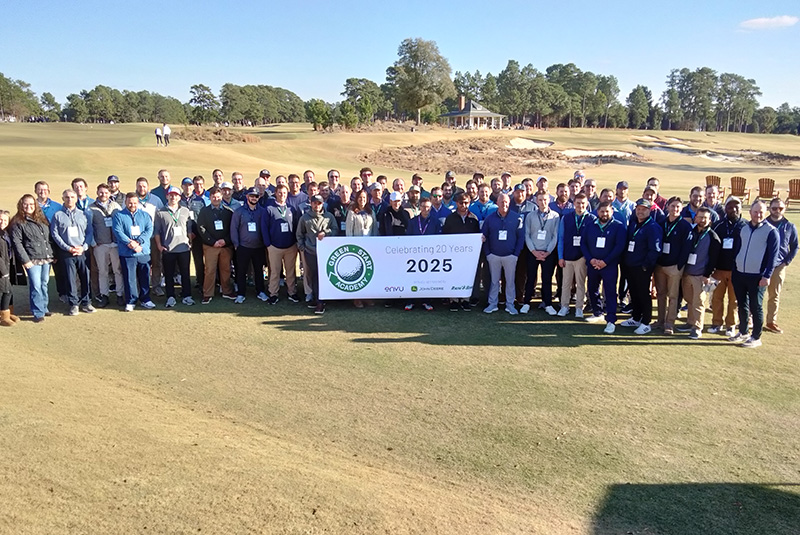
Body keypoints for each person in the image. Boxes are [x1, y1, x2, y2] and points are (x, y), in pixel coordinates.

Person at [730, 200, 780, 348]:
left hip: (757, 276)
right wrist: (735, 268)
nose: (758, 214)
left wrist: (767, 275)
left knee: (756, 306)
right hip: (740, 273)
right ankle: (743, 331)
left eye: (761, 212)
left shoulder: (771, 231)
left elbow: (773, 257)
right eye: (755, 211)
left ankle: (756, 337)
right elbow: (737, 249)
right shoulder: (743, 228)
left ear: (765, 213)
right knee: (742, 305)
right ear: (750, 212)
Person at [581, 202, 627, 333]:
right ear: (597, 212)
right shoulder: (590, 226)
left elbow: (619, 247)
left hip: (609, 266)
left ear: (612, 211)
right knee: (591, 288)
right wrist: (591, 260)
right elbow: (584, 244)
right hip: (593, 265)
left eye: (607, 211)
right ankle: (597, 312)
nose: (604, 214)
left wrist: (605, 261)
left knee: (610, 292)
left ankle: (611, 320)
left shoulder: (618, 227)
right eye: (602, 211)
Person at [620, 199, 662, 335]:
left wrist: (645, 266)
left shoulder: (653, 227)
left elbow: (654, 250)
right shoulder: (633, 224)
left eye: (644, 209)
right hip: (630, 265)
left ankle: (646, 322)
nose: (640, 211)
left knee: (644, 294)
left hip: (642, 267)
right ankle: (636, 317)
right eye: (638, 208)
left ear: (649, 210)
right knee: (634, 293)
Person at [10, 195, 54, 322]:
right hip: (32, 258)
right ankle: (37, 312)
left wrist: (52, 254)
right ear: (21, 205)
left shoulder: (42, 219)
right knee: (36, 285)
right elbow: (17, 243)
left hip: (46, 257)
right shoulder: (18, 222)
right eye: (25, 204)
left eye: (31, 204)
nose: (29, 206)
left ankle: (44, 307)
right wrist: (25, 260)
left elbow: (48, 238)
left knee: (44, 283)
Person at [51, 189, 95, 316]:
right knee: (70, 279)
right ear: (63, 198)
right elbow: (55, 234)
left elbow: (89, 232)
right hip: (67, 252)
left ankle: (86, 302)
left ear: (76, 199)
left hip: (82, 251)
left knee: (85, 277)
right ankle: (73, 304)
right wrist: (67, 248)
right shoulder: (58, 215)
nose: (69, 199)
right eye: (67, 197)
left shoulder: (84, 214)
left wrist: (84, 247)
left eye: (72, 197)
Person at [708, 197, 747, 337]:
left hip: (737, 270)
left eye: (736, 206)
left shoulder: (745, 226)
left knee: (734, 300)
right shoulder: (718, 225)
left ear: (741, 208)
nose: (733, 209)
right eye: (730, 207)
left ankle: (730, 325)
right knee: (717, 298)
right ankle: (716, 323)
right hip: (718, 269)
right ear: (725, 209)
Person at [681, 208, 721, 339]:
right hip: (687, 273)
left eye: (705, 218)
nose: (702, 220)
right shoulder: (690, 232)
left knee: (698, 302)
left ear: (710, 220)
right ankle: (690, 322)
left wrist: (707, 275)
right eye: (700, 217)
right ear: (695, 218)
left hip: (701, 275)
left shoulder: (713, 237)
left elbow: (714, 259)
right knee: (689, 300)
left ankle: (697, 328)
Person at [654, 197, 692, 334]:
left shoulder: (684, 226)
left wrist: (679, 266)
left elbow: (686, 248)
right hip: (660, 265)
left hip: (674, 267)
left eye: (678, 207)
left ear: (681, 209)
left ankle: (669, 323)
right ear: (667, 207)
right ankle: (660, 321)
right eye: (672, 206)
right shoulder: (661, 222)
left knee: (673, 296)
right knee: (660, 294)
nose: (675, 209)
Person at [481, 193, 523, 315]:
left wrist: (516, 254)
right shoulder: (490, 218)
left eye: (505, 202)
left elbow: (520, 238)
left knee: (510, 282)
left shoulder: (517, 218)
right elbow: (484, 237)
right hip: (494, 255)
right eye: (501, 202)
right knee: (494, 281)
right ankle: (492, 304)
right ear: (497, 203)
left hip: (510, 256)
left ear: (509, 203)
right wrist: (488, 253)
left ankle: (510, 305)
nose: (503, 204)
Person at [113, 193, 156, 312]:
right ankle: (131, 301)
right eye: (130, 202)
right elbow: (118, 231)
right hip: (127, 252)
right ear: (126, 202)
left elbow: (149, 230)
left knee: (145, 276)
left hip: (143, 251)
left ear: (138, 203)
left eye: (134, 202)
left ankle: (145, 299)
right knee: (129, 278)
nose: (132, 205)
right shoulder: (119, 216)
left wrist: (138, 242)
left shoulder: (145, 215)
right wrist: (130, 243)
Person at [153, 187, 194, 307]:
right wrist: (159, 246)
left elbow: (189, 229)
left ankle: (187, 296)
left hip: (183, 248)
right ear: (167, 196)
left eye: (176, 195)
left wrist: (190, 242)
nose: (173, 197)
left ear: (179, 197)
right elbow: (157, 231)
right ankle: (170, 297)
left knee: (185, 273)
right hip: (168, 249)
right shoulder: (160, 212)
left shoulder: (185, 211)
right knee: (169, 275)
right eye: (171, 195)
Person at [296, 195, 337, 314]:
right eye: (314, 203)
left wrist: (326, 232)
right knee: (314, 275)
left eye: (319, 203)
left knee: (323, 276)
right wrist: (302, 247)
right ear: (311, 203)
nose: (317, 205)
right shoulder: (305, 218)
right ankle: (317, 299)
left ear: (322, 204)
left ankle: (321, 301)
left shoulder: (329, 217)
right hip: (311, 251)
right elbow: (299, 234)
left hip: (326, 252)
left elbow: (335, 230)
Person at [522, 191, 560, 315]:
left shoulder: (555, 216)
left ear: (549, 200)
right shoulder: (530, 216)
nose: (543, 202)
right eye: (540, 200)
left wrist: (547, 252)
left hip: (548, 253)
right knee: (531, 277)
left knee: (546, 278)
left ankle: (548, 304)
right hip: (533, 252)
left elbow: (555, 236)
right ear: (536, 201)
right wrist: (534, 251)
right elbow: (527, 235)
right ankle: (526, 302)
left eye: (545, 200)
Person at [557, 193, 595, 318]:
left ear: (587, 204)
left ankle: (579, 307)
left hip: (582, 257)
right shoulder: (566, 218)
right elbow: (561, 238)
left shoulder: (591, 219)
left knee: (580, 283)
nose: (580, 206)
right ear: (574, 204)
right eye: (578, 203)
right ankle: (564, 306)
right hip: (567, 256)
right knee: (566, 283)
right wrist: (560, 256)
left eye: (583, 203)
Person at [87, 183, 124, 307]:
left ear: (109, 194)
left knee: (118, 270)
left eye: (106, 192)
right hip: (100, 245)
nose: (104, 195)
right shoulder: (91, 208)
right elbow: (88, 227)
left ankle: (119, 294)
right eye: (101, 192)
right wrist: (93, 243)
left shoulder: (115, 206)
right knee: (102, 271)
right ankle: (104, 295)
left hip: (115, 245)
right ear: (97, 192)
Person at [442, 192, 481, 311]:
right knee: (454, 275)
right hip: (453, 253)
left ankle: (465, 299)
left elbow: (476, 236)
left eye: (466, 203)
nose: (463, 205)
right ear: (456, 203)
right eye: (461, 203)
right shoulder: (450, 218)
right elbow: (445, 235)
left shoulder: (473, 218)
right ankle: (454, 300)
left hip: (468, 255)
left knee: (466, 276)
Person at [197, 187, 236, 304]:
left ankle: (226, 291)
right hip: (210, 246)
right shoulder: (204, 211)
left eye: (218, 196)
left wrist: (225, 240)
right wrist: (212, 241)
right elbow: (201, 228)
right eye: (213, 197)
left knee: (226, 269)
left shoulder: (228, 211)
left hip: (225, 246)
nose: (216, 199)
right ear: (210, 198)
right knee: (209, 270)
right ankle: (207, 293)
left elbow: (232, 229)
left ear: (221, 197)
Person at [262, 184, 300, 305]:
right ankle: (273, 293)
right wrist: (268, 244)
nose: (282, 195)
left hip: (290, 246)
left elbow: (296, 226)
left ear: (287, 194)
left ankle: (292, 292)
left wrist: (295, 242)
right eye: (280, 193)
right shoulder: (269, 209)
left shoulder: (291, 209)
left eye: (284, 193)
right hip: (274, 247)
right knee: (274, 271)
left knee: (291, 271)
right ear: (275, 194)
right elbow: (264, 228)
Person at [764, 197, 798, 334]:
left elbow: (795, 246)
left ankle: (771, 321)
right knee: (755, 294)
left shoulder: (789, 226)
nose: (777, 211)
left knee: (774, 295)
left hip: (779, 266)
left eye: (780, 208)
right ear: (769, 209)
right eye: (774, 208)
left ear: (784, 209)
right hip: (762, 265)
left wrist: (786, 262)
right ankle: (750, 319)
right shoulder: (763, 224)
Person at [230, 187, 267, 304]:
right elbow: (234, 228)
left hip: (258, 247)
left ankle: (260, 291)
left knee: (259, 271)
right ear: (247, 197)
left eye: (256, 196)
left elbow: (265, 228)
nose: (254, 198)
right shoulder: (239, 211)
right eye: (251, 196)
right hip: (243, 247)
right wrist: (236, 244)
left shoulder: (262, 211)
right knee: (241, 271)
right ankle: (241, 293)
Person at [404, 197, 441, 311]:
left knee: (427, 278)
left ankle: (426, 301)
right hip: (414, 254)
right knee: (412, 277)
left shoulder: (436, 221)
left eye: (428, 207)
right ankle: (410, 301)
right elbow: (408, 238)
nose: (426, 209)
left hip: (430, 254)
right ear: (419, 207)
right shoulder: (413, 221)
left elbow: (439, 238)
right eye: (423, 206)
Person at [345, 189, 378, 309]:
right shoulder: (352, 212)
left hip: (369, 245)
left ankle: (367, 296)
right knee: (357, 272)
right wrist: (351, 247)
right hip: (356, 247)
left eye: (364, 198)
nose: (362, 200)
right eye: (360, 198)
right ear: (356, 199)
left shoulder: (371, 212)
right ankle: (356, 297)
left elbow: (374, 229)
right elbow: (349, 231)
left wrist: (375, 243)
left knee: (368, 271)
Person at [135, 177, 165, 296]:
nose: (142, 188)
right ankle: (141, 287)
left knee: (156, 263)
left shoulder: (155, 200)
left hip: (153, 237)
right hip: (137, 239)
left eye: (144, 186)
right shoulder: (132, 199)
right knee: (141, 264)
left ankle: (156, 286)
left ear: (148, 187)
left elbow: (161, 216)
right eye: (139, 186)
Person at [188, 175, 211, 288]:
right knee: (198, 259)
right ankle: (200, 281)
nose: (198, 186)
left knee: (210, 260)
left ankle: (211, 281)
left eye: (200, 184)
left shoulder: (208, 197)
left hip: (208, 234)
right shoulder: (191, 200)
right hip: (195, 234)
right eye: (196, 184)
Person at [0, 212, 13, 326]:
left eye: (5, 220)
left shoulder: (6, 234)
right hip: (1, 269)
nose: (2, 222)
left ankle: (9, 313)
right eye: (0, 220)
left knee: (9, 291)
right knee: (7, 291)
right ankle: (4, 317)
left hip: (7, 266)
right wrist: (3, 272)